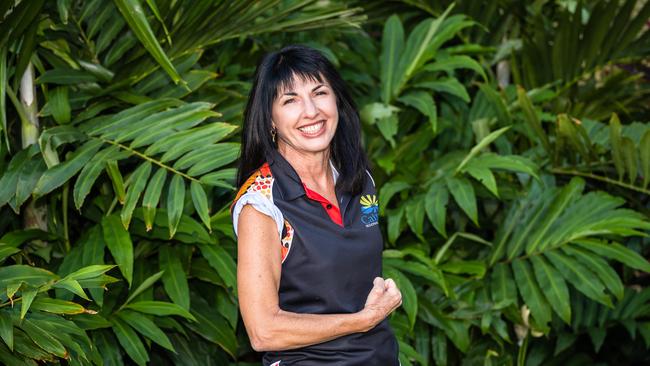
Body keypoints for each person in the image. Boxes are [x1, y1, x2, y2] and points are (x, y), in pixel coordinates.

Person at [232, 44, 402, 366]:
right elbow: (263, 331)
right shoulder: (262, 204)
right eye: (290, 100)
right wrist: (362, 320)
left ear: (336, 100)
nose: (311, 111)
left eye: (320, 92)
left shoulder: (361, 182)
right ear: (270, 119)